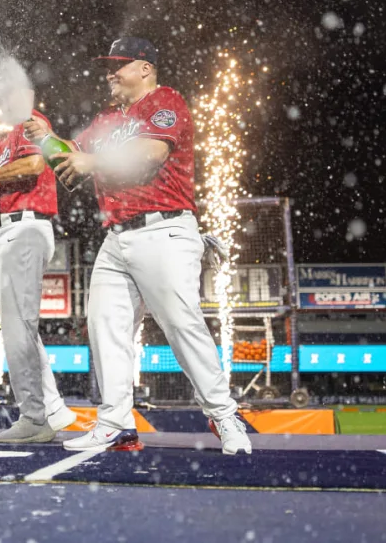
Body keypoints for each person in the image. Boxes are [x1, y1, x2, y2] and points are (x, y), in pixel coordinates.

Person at [24, 37, 252, 454]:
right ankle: (115, 423)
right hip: (118, 236)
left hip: (163, 230)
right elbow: (70, 155)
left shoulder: (166, 101)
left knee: (181, 326)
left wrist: (88, 162)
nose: (111, 73)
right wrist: (46, 138)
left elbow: (149, 153)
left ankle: (224, 415)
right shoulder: (108, 118)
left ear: (145, 68)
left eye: (120, 65)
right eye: (109, 65)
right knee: (104, 325)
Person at [0, 100, 76, 443]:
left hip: (26, 227)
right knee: (22, 327)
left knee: (17, 328)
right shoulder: (1, 145)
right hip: (10, 228)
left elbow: (38, 163)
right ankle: (52, 408)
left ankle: (34, 418)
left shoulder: (28, 121)